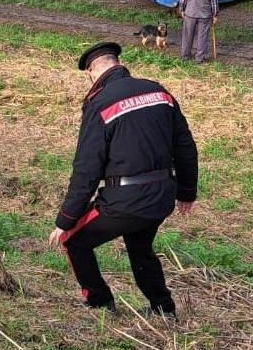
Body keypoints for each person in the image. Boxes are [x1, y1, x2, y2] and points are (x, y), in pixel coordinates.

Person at [48, 42, 198, 319]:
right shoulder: (158, 91)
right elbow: (185, 145)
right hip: (162, 194)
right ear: (118, 63)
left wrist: (65, 221)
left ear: (92, 70)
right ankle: (163, 308)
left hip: (125, 201)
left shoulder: (100, 103)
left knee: (74, 241)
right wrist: (187, 192)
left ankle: (99, 303)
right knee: (141, 248)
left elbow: (87, 167)